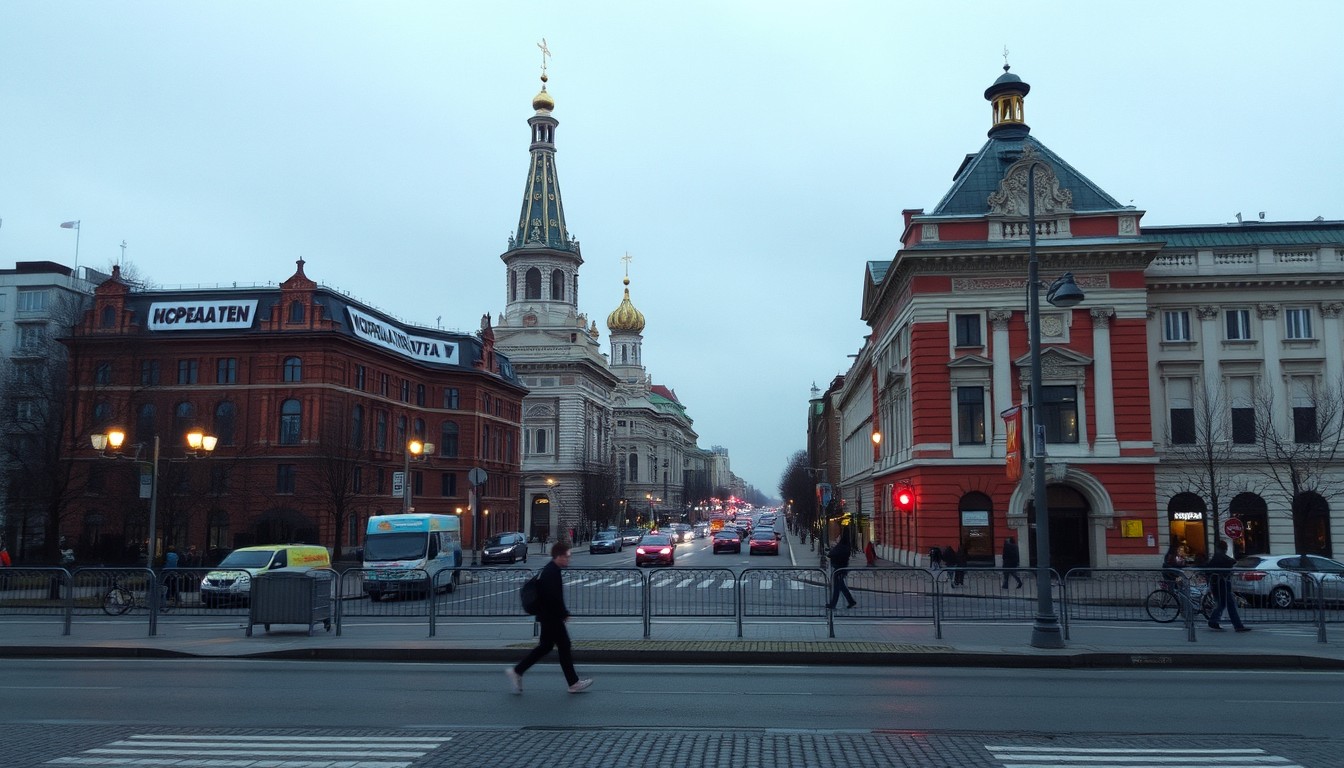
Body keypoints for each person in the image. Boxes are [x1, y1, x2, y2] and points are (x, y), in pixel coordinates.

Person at [507, 541, 593, 694]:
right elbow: (554, 597)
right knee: (564, 645)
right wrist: (564, 613)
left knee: (545, 647)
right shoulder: (552, 572)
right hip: (551, 617)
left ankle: (518, 670)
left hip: (547, 616)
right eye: (567, 556)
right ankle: (573, 683)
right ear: (559, 556)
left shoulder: (551, 569)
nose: (569, 559)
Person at [1205, 538, 1249, 633]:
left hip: (1216, 583)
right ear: (1224, 548)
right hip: (1222, 583)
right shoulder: (1220, 557)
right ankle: (1238, 625)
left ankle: (1213, 620)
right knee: (1229, 604)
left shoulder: (1216, 557)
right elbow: (1232, 561)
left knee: (1222, 603)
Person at [825, 536, 856, 609]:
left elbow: (830, 554)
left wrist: (834, 547)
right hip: (841, 569)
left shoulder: (841, 547)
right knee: (842, 587)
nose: (837, 539)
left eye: (838, 538)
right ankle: (851, 601)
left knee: (837, 588)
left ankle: (833, 604)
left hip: (838, 569)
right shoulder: (846, 547)